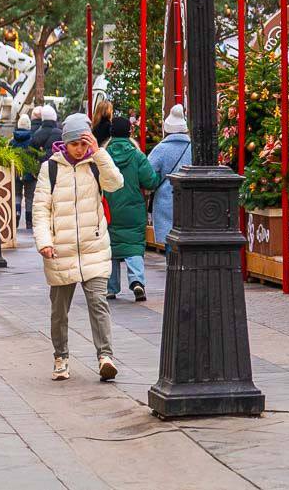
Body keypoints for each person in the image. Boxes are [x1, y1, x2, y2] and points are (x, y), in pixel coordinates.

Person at [34, 112, 125, 381]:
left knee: (99, 304)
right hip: (60, 251)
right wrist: (44, 242)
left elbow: (116, 183)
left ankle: (105, 357)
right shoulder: (50, 169)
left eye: (84, 143)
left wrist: (99, 153)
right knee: (59, 311)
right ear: (65, 143)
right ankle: (61, 357)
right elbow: (40, 210)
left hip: (93, 247)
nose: (80, 149)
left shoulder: (95, 164)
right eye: (75, 144)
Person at [103, 116, 159, 301]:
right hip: (133, 210)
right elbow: (150, 180)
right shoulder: (137, 156)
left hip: (109, 209)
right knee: (134, 246)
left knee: (110, 247)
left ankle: (111, 288)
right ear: (129, 132)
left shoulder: (103, 155)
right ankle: (137, 282)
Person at [145, 104, 191, 246]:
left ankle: (171, 267)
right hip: (190, 201)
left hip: (166, 202)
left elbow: (148, 174)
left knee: (170, 242)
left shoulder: (160, 149)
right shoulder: (193, 148)